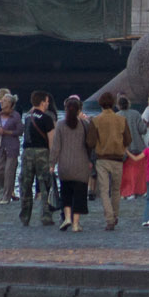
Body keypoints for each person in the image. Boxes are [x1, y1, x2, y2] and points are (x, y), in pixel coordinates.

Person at [49, 94, 93, 233]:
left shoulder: (61, 125)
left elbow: (56, 147)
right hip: (81, 164)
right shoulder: (85, 125)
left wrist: (52, 164)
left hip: (65, 165)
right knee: (79, 194)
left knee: (66, 192)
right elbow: (91, 144)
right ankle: (75, 224)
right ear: (80, 109)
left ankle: (67, 217)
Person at [89, 90, 131, 230]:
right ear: (113, 103)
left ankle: (109, 219)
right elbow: (128, 140)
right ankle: (115, 215)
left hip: (102, 159)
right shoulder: (121, 120)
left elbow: (91, 142)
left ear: (100, 104)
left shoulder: (96, 120)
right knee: (116, 190)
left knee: (104, 190)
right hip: (118, 159)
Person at [19, 90, 56, 226]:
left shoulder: (28, 117)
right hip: (42, 152)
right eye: (46, 101)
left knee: (26, 184)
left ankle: (25, 216)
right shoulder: (47, 119)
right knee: (45, 185)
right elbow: (52, 140)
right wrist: (53, 159)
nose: (48, 103)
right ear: (42, 103)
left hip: (27, 152)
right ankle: (46, 216)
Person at [0, 91, 23, 204]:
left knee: (9, 172)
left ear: (10, 103)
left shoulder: (16, 116)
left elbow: (20, 131)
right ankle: (4, 189)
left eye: (4, 101)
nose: (1, 102)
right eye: (2, 100)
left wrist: (6, 132)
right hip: (0, 147)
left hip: (12, 146)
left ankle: (6, 196)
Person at [119, 94, 148, 198]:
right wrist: (145, 124)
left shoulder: (117, 116)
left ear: (118, 105)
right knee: (140, 171)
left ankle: (128, 192)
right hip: (138, 146)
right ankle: (142, 190)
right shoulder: (136, 114)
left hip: (125, 149)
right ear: (128, 104)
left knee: (127, 172)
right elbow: (142, 130)